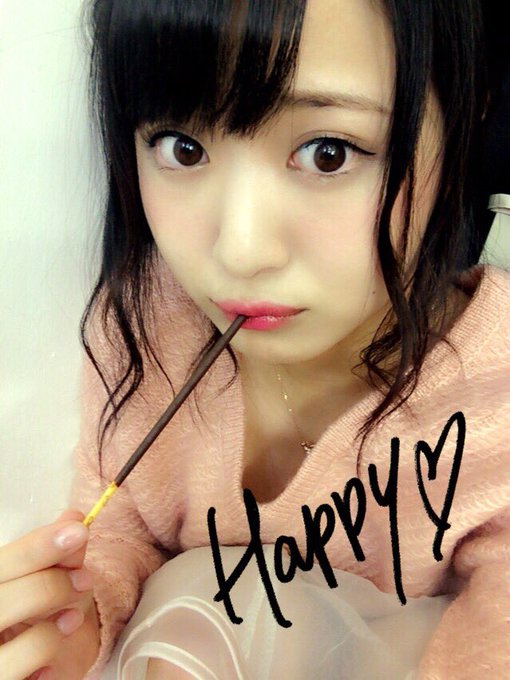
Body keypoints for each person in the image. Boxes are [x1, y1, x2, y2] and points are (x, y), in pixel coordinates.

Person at [1, 0, 509, 678]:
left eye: (328, 153)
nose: (238, 252)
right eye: (182, 148)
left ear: (468, 109)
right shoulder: (152, 321)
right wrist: (82, 618)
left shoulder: (498, 398)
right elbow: (123, 522)